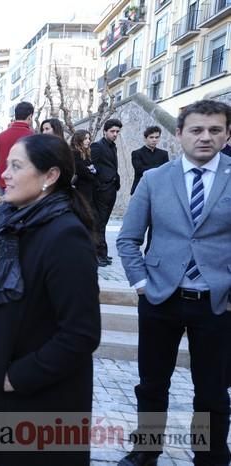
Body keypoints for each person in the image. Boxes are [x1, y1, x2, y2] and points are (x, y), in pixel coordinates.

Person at [0, 134, 101, 466]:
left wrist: (15, 378)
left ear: (50, 176)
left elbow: (81, 333)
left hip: (38, 405)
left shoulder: (65, 236)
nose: (4, 175)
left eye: (16, 166)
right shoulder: (16, 223)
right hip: (3, 398)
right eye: (5, 165)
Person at [116, 100, 231, 466]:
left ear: (228, 134)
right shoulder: (154, 179)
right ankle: (146, 450)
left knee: (212, 390)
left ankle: (211, 456)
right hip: (161, 298)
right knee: (151, 384)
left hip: (217, 302)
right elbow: (128, 239)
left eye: (215, 130)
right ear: (178, 134)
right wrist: (140, 284)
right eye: (196, 130)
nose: (205, 137)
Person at [91, 118, 123, 267]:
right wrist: (100, 184)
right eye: (112, 131)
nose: (115, 134)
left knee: (103, 222)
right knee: (99, 223)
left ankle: (102, 253)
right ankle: (97, 255)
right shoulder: (97, 146)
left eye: (117, 131)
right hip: (102, 189)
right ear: (105, 131)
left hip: (111, 188)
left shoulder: (113, 147)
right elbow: (92, 167)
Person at [0, 102, 34, 192]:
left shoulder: (0, 137)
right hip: (24, 189)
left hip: (2, 187)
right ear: (30, 117)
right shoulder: (33, 137)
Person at [130, 125, 169, 195]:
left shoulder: (164, 154)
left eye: (157, 137)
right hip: (140, 190)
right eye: (151, 137)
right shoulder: (136, 153)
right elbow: (140, 170)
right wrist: (160, 168)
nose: (154, 140)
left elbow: (166, 172)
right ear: (145, 138)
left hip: (158, 190)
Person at [70, 129, 98, 219]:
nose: (88, 141)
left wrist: (90, 171)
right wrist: (90, 171)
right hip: (80, 191)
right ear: (79, 140)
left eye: (89, 138)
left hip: (88, 191)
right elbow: (83, 172)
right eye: (85, 138)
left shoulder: (86, 154)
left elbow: (92, 170)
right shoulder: (74, 153)